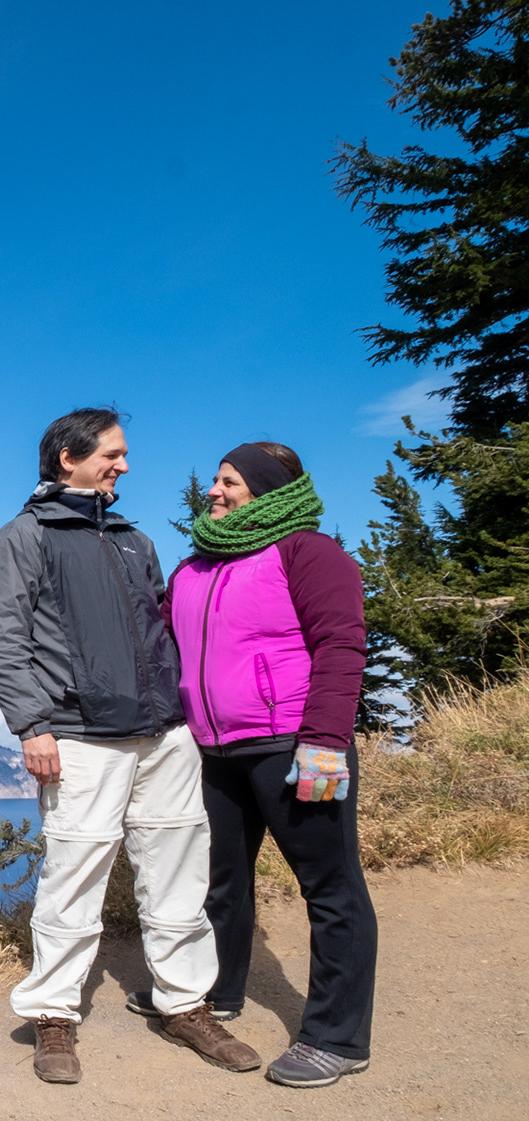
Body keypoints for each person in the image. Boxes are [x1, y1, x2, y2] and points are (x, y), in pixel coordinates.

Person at [0, 407, 262, 1084]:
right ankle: (53, 1016)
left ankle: (184, 1004)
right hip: (77, 737)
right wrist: (33, 724)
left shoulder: (136, 541)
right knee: (73, 878)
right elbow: (2, 639)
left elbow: (166, 627)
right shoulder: (23, 537)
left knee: (178, 873)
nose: (125, 465)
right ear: (67, 458)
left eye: (124, 453)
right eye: (113, 452)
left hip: (164, 733)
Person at [163, 442, 375, 1087]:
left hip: (293, 745)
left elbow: (341, 644)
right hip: (213, 750)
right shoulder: (193, 568)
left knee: (330, 888)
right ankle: (221, 992)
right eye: (215, 481)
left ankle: (336, 1038)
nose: (214, 492)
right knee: (220, 882)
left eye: (229, 482)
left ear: (264, 489)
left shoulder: (309, 553)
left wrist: (326, 739)